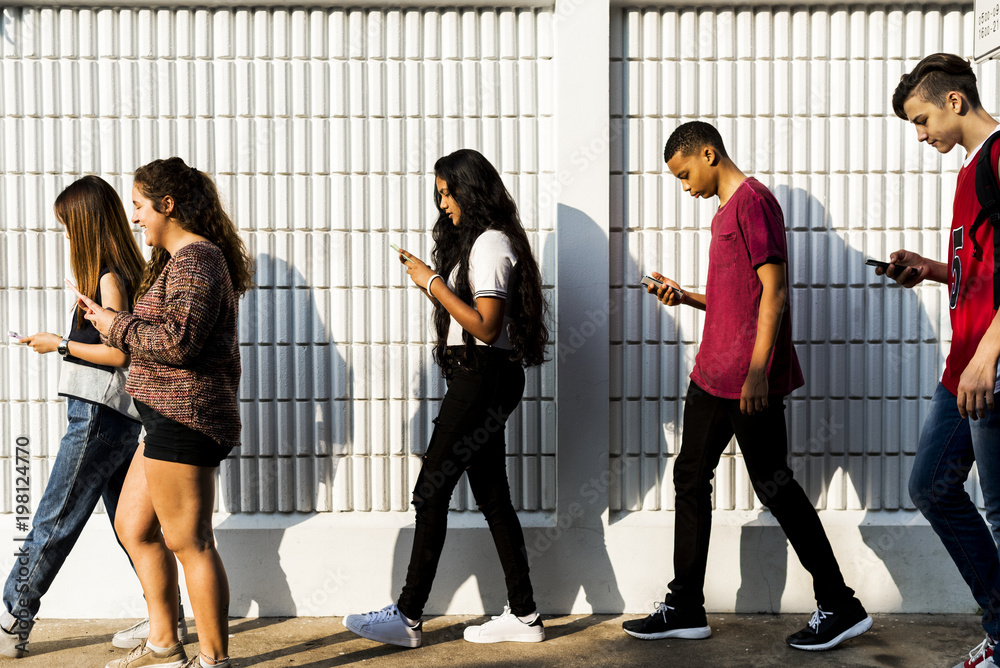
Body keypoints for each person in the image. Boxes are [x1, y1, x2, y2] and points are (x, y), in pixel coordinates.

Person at [622, 122, 872, 650]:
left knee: (773, 484)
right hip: (712, 374)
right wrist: (686, 298)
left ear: (709, 154)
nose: (685, 187)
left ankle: (840, 603)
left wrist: (759, 371)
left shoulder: (754, 203)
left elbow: (775, 293)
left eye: (686, 174)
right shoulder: (724, 212)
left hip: (745, 380)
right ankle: (685, 604)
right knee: (690, 475)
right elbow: (740, 301)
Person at [344, 148, 550, 647]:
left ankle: (408, 616)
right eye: (438, 195)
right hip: (483, 375)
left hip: (483, 377)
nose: (443, 205)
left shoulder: (491, 244)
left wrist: (432, 282)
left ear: (469, 190)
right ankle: (524, 616)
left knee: (431, 490)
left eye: (447, 193)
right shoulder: (483, 243)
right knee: (493, 497)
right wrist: (433, 282)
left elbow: (486, 324)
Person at [73, 157, 254, 668]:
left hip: (187, 417)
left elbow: (178, 343)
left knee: (189, 542)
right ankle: (164, 643)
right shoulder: (177, 262)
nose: (134, 218)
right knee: (134, 527)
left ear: (167, 206)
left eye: (139, 206)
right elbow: (165, 335)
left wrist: (113, 324)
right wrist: (114, 320)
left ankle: (213, 659)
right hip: (162, 417)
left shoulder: (198, 261)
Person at [0, 176, 156, 658]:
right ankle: (162, 619)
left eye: (70, 228)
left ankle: (10, 619)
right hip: (112, 417)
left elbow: (120, 352)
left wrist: (60, 344)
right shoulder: (118, 273)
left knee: (55, 515)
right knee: (132, 526)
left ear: (87, 227)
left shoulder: (110, 276)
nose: (68, 238)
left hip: (98, 417)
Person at [887, 53, 1000, 668]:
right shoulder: (969, 172)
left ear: (954, 101)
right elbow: (984, 268)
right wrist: (932, 270)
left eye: (921, 118)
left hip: (989, 366)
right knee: (931, 486)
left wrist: (987, 356)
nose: (921, 133)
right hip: (963, 367)